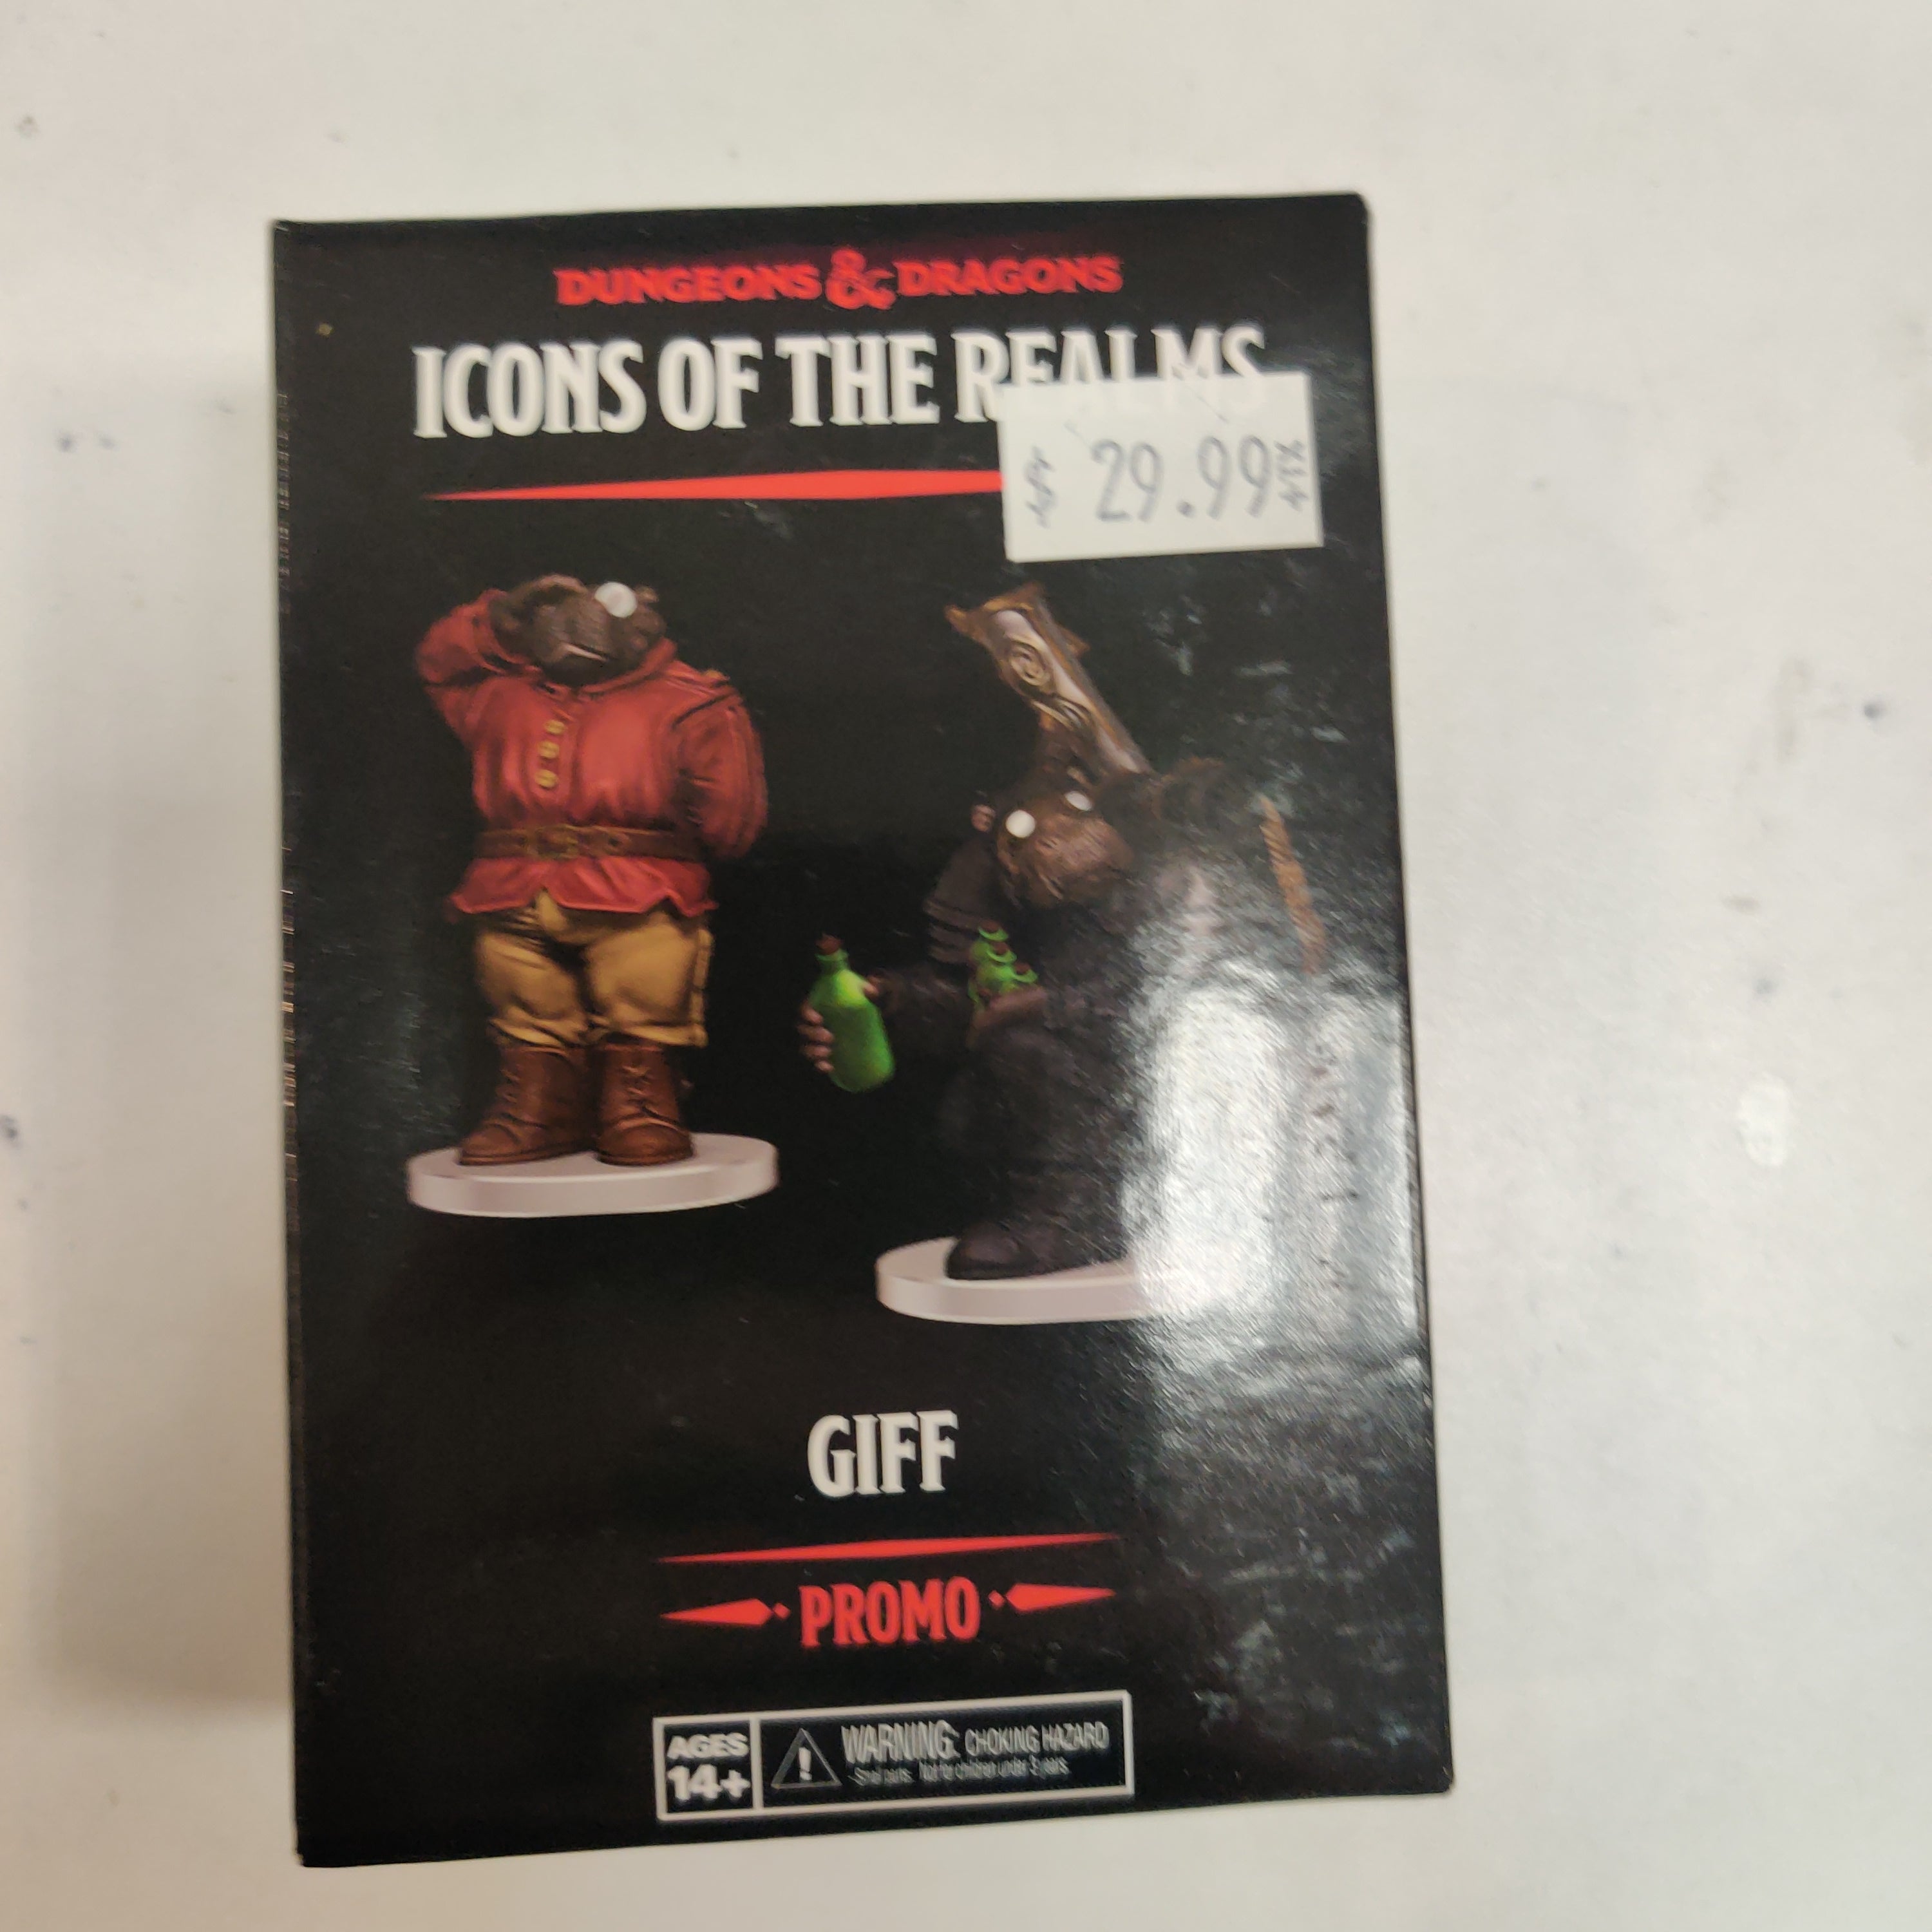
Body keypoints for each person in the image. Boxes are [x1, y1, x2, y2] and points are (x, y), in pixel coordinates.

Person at [418, 574, 765, 1166]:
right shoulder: (499, 693)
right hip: (510, 892)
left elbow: (730, 823)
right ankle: (540, 1110)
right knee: (526, 1007)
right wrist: (500, 619)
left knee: (643, 997)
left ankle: (641, 1106)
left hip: (639, 894)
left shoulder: (690, 701)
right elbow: (438, 663)